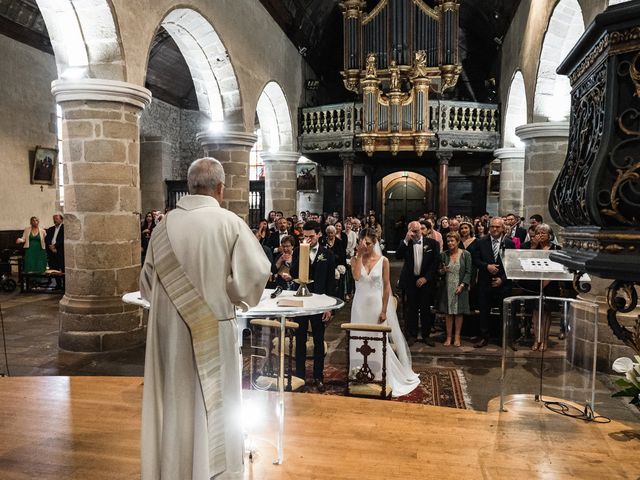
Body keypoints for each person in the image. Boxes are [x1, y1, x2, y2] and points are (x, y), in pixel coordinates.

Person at [139, 157, 271, 480]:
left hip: (168, 334)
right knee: (213, 408)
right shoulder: (228, 223)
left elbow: (145, 286)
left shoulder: (161, 228)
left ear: (189, 186)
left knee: (175, 402)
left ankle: (174, 470)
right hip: (213, 330)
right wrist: (231, 293)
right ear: (220, 189)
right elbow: (255, 275)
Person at [350, 228, 420, 396]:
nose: (365, 246)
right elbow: (357, 277)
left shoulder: (383, 260)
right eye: (363, 242)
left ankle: (381, 374)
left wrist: (384, 309)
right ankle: (359, 373)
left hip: (375, 305)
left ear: (375, 243)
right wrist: (359, 256)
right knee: (358, 339)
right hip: (359, 305)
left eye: (368, 243)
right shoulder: (355, 259)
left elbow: (387, 285)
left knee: (377, 341)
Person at [290, 221, 336, 392]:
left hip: (320, 303)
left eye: (311, 236)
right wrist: (303, 254)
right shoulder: (298, 250)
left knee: (318, 340)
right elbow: (294, 273)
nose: (308, 239)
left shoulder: (328, 254)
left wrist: (329, 307)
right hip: (301, 302)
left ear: (319, 234)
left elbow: (331, 282)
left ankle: (318, 376)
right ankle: (300, 375)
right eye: (305, 236)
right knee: (300, 339)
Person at [472, 217, 516, 348]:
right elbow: (475, 260)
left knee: (504, 312)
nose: (495, 229)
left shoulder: (509, 243)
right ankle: (484, 337)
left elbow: (512, 264)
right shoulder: (480, 242)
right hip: (485, 282)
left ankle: (504, 339)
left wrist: (502, 279)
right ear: (489, 228)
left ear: (503, 228)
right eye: (492, 227)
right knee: (484, 312)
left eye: (497, 227)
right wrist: (487, 266)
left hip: (503, 284)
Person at [396, 221, 440, 346]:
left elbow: (435, 262)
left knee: (426, 308)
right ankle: (413, 334)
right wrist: (405, 239)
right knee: (412, 309)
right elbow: (398, 255)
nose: (415, 233)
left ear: (421, 230)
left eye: (417, 230)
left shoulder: (432, 243)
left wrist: (426, 278)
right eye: (412, 231)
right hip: (410, 281)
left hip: (426, 281)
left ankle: (426, 335)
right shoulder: (405, 243)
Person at [437, 232, 472, 347]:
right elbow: (439, 271)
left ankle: (457, 337)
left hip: (460, 287)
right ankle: (448, 337)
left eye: (452, 241)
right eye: (448, 241)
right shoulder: (444, 255)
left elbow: (468, 272)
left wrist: (462, 285)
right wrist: (442, 271)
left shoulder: (465, 254)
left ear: (457, 241)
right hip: (447, 287)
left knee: (458, 313)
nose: (450, 243)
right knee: (448, 313)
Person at [45, 214, 65, 289]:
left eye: (56, 218)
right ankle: (58, 285)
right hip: (51, 251)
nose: (54, 220)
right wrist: (51, 247)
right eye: (54, 218)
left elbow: (63, 239)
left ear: (61, 219)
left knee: (62, 268)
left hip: (60, 251)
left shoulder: (65, 228)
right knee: (54, 269)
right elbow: (47, 239)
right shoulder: (50, 229)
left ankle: (65, 286)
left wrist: (55, 246)